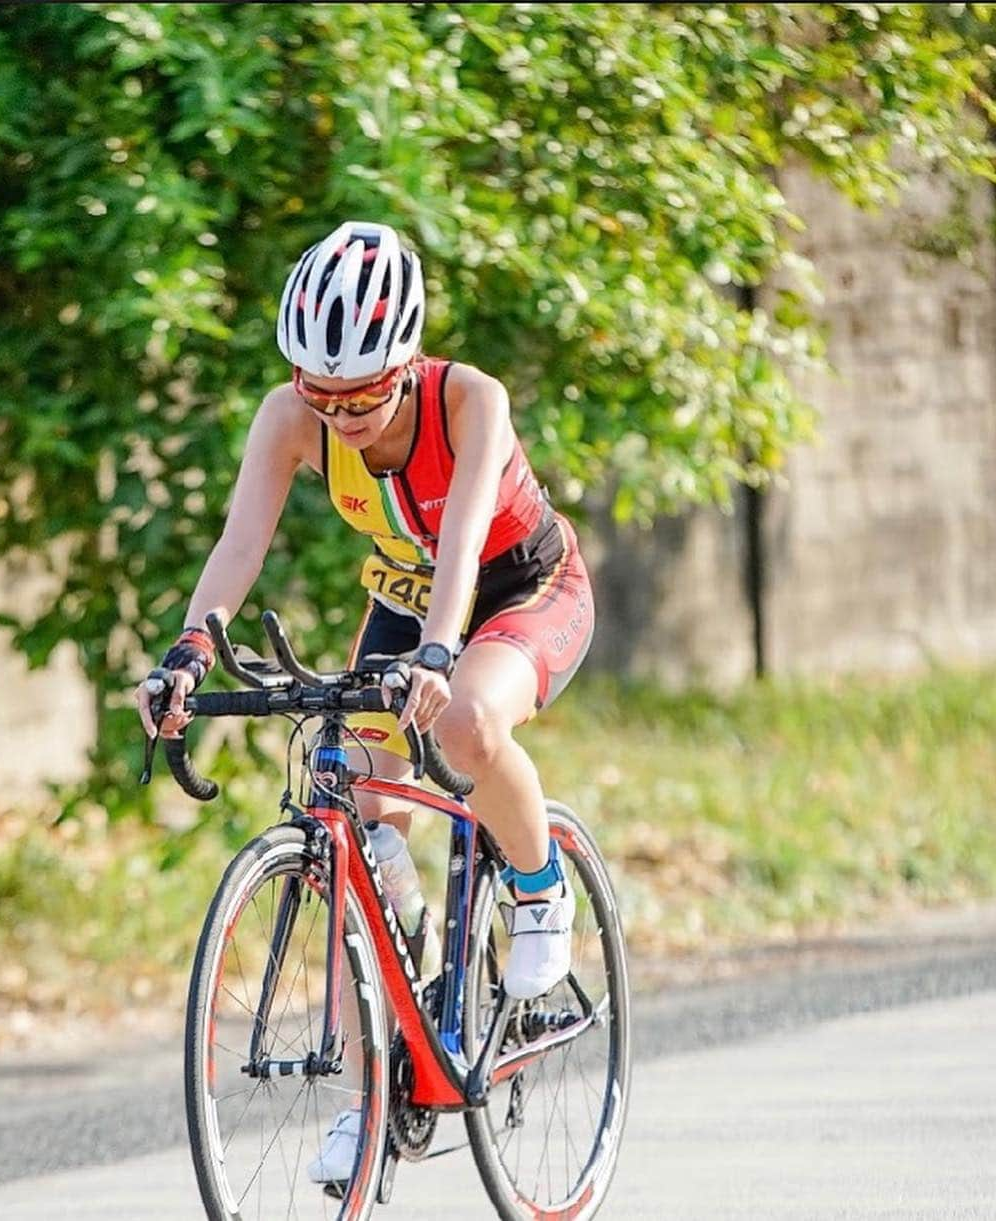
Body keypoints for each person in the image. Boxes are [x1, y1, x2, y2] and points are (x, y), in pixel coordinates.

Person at [135, 220, 595, 1181]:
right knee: (350, 802)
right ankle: (377, 1072)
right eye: (320, 391)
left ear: (406, 359)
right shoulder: (288, 414)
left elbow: (464, 544)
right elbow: (238, 545)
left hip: (520, 587)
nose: (338, 413)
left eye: (360, 393)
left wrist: (438, 652)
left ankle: (541, 888)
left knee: (466, 720)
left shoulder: (470, 400)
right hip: (401, 596)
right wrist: (185, 655)